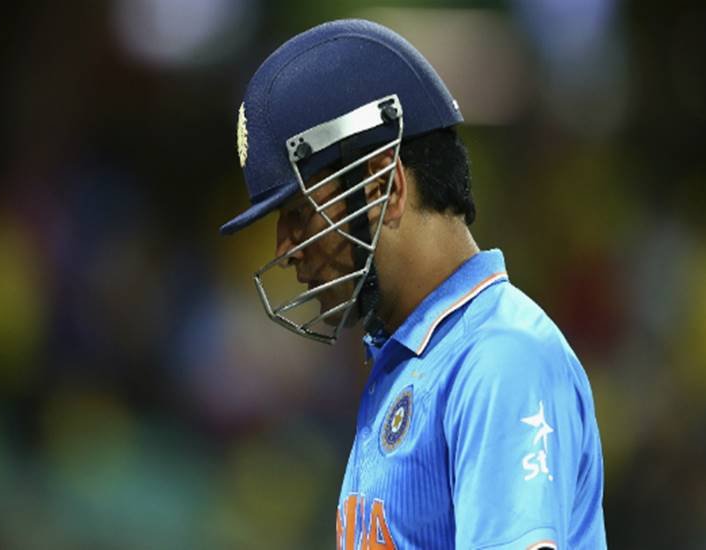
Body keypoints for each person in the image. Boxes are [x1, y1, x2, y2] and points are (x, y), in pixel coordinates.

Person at [220, 19, 606, 550]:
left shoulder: (500, 357)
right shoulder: (411, 363)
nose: (284, 248)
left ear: (385, 186)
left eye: (299, 211)